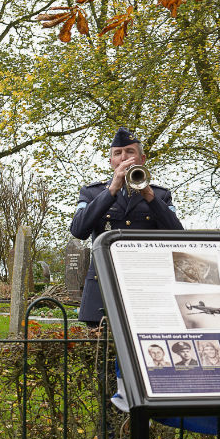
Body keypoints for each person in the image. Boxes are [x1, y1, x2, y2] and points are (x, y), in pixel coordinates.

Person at [69, 127, 183, 326]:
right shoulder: (92, 193)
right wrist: (112, 190)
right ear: (112, 161)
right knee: (102, 353)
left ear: (142, 159)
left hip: (147, 289)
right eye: (118, 153)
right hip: (103, 287)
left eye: (130, 152)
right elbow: (78, 230)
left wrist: (149, 196)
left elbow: (178, 235)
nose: (124, 158)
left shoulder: (160, 195)